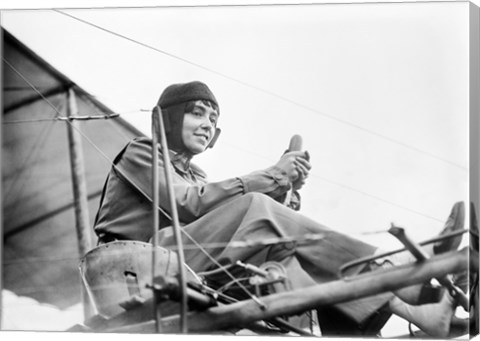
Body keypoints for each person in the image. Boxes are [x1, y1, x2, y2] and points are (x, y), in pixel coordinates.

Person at [93, 81, 465, 337]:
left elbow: (227, 219)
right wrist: (269, 177)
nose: (207, 124)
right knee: (256, 204)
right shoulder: (143, 151)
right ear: (170, 118)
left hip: (187, 264)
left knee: (283, 253)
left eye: (213, 119)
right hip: (134, 264)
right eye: (198, 113)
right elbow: (189, 205)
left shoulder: (197, 173)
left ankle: (416, 312)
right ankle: (391, 267)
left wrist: (285, 189)